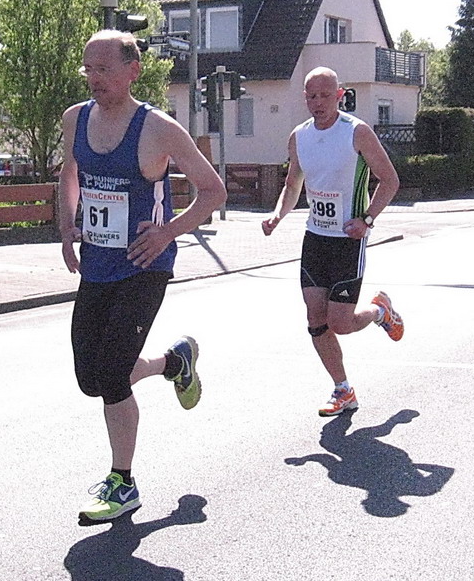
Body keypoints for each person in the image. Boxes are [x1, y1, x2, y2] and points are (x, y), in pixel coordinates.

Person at [59, 30, 226, 524]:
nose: (94, 79)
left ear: (132, 71)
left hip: (144, 264)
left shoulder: (158, 129)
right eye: (88, 69)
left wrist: (167, 232)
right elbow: (69, 173)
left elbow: (213, 191)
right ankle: (174, 363)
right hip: (97, 264)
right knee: (91, 376)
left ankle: (122, 482)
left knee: (112, 374)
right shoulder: (75, 118)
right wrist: (67, 228)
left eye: (103, 69)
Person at [262, 67, 403, 417]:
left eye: (326, 95)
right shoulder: (299, 136)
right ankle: (342, 389)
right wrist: (278, 215)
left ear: (340, 95)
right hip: (316, 238)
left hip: (348, 241)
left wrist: (367, 219)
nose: (318, 102)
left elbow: (389, 180)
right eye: (312, 96)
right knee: (315, 318)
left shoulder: (357, 132)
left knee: (340, 322)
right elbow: (292, 183)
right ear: (305, 98)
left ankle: (379, 311)